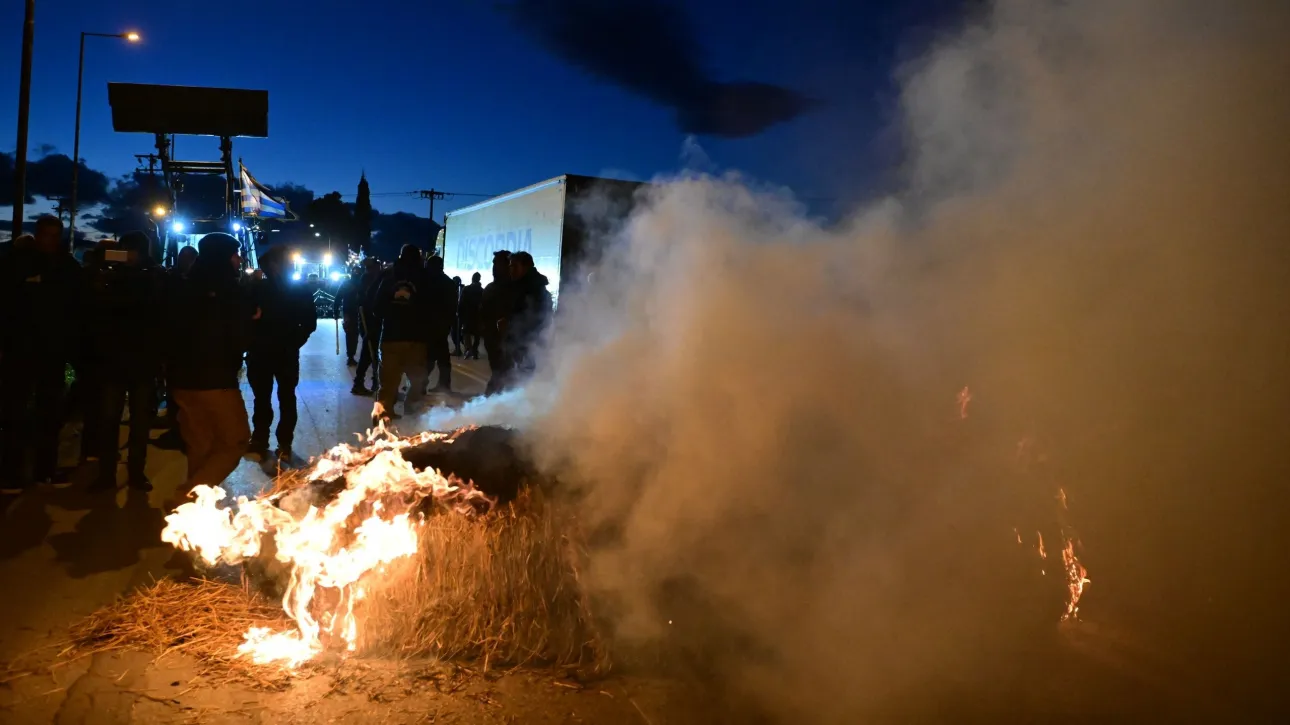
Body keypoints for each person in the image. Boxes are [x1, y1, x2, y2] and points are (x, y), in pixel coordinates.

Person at [163, 233, 256, 503]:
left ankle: (197, 513)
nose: (239, 260)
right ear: (225, 257)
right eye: (235, 254)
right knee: (235, 441)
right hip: (216, 380)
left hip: (182, 380)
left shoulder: (182, 286)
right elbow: (238, 338)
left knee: (201, 446)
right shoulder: (229, 289)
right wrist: (252, 322)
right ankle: (186, 498)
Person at [0, 217, 85, 494]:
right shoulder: (19, 261)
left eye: (54, 235)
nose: (49, 240)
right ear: (38, 235)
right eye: (46, 235)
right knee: (16, 412)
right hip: (22, 348)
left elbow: (75, 307)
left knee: (48, 412)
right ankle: (14, 473)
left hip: (50, 349)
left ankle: (43, 470)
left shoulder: (65, 265)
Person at [84, 231, 164, 492]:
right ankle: (107, 474)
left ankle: (135, 472)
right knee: (109, 420)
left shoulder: (154, 275)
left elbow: (156, 311)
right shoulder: (111, 274)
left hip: (139, 359)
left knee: (138, 422)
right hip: (115, 359)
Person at [247, 246, 317, 461]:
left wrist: (294, 341)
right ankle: (268, 439)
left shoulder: (290, 290)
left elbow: (309, 323)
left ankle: (275, 440)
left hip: (275, 350)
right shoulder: (259, 289)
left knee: (279, 397)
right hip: (268, 351)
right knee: (271, 397)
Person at [373, 245, 429, 421]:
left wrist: (392, 313)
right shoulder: (425, 278)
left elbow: (376, 308)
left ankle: (383, 419)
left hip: (391, 337)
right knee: (417, 382)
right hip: (417, 338)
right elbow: (432, 308)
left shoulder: (388, 277)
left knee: (388, 383)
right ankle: (412, 417)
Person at [501, 251, 553, 385]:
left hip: (527, 345)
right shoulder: (521, 287)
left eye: (514, 266)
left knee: (524, 380)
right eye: (510, 266)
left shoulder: (534, 291)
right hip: (519, 344)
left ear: (526, 267)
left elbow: (537, 320)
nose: (510, 270)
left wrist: (512, 326)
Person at [479, 251, 513, 396]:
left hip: (507, 339)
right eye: (493, 264)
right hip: (492, 338)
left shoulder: (513, 289)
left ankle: (492, 402)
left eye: (497, 264)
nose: (493, 267)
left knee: (503, 374)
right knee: (500, 372)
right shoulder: (491, 288)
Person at [423, 255, 456, 394]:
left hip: (431, 325)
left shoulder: (428, 282)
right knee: (442, 357)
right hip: (442, 325)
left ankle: (419, 384)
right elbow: (453, 306)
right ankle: (444, 385)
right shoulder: (448, 282)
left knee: (429, 357)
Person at [351, 258, 383, 396]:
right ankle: (360, 383)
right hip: (369, 322)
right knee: (368, 354)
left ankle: (377, 383)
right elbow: (365, 301)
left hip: (375, 322)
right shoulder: (367, 279)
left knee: (375, 355)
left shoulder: (374, 278)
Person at [332, 267, 362, 366]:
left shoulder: (351, 283)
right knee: (352, 335)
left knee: (353, 335)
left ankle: (352, 356)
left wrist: (336, 311)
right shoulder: (352, 283)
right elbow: (338, 298)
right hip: (351, 312)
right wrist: (335, 311)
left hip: (356, 312)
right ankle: (351, 356)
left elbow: (337, 298)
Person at [459, 272, 484, 360]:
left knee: (466, 333)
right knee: (477, 334)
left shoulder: (466, 289)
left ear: (472, 278)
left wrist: (460, 314)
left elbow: (461, 303)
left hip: (467, 315)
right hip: (478, 315)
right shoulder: (482, 290)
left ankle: (468, 349)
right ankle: (475, 350)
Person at [450, 275, 464, 357]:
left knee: (455, 333)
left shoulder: (457, 290)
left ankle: (458, 349)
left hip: (457, 315)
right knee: (456, 333)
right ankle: (458, 348)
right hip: (458, 314)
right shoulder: (459, 290)